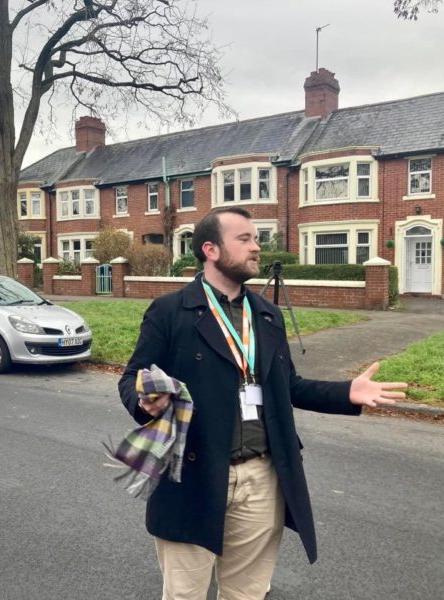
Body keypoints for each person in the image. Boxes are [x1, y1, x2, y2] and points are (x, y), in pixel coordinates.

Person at [118, 207, 407, 600]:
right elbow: (131, 378)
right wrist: (143, 401)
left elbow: (288, 386)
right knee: (184, 594)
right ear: (211, 249)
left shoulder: (267, 315)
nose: (257, 247)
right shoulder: (170, 312)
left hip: (261, 479)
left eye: (256, 238)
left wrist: (346, 392)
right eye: (245, 239)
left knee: (247, 594)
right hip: (193, 477)